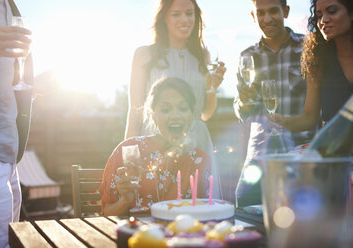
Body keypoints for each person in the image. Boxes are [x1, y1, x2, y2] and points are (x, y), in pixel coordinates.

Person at [124, 0, 226, 199]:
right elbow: (135, 111)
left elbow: (205, 114)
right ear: (164, 18)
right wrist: (128, 158)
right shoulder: (144, 55)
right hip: (156, 141)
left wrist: (212, 86)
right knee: (156, 207)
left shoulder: (203, 56)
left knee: (198, 210)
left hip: (197, 142)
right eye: (176, 14)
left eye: (189, 13)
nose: (185, 20)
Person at [233, 0, 315, 207]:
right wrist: (243, 102)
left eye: (273, 11)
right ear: (253, 15)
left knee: (301, 218)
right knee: (244, 207)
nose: (267, 19)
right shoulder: (247, 56)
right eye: (261, 13)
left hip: (302, 152)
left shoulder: (309, 48)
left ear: (285, 11)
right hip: (261, 154)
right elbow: (242, 111)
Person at [99, 77, 212, 216]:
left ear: (192, 113)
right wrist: (125, 201)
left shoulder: (200, 160)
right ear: (152, 114)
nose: (175, 116)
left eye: (183, 108)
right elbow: (106, 213)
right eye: (165, 110)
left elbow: (208, 214)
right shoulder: (129, 150)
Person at [0, 1, 33, 247]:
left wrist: (35, 89)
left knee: (12, 242)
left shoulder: (9, 6)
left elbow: (1, 84)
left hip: (9, 154)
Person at [271, 0, 353, 131]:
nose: (323, 20)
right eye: (319, 15)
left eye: (332, 11)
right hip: (333, 147)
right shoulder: (317, 59)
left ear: (351, 13)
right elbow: (309, 118)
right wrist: (282, 122)